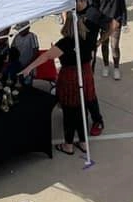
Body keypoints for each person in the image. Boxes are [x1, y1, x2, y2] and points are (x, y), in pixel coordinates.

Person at [20, 13, 104, 154]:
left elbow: (46, 56)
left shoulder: (65, 43)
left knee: (70, 112)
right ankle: (83, 142)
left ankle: (68, 145)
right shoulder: (87, 39)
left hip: (70, 78)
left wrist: (29, 68)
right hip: (85, 75)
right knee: (81, 110)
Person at [92, 0, 128, 80]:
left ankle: (116, 67)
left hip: (115, 21)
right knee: (104, 44)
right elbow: (95, 7)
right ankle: (106, 65)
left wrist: (124, 22)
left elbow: (123, 6)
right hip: (103, 22)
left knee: (114, 46)